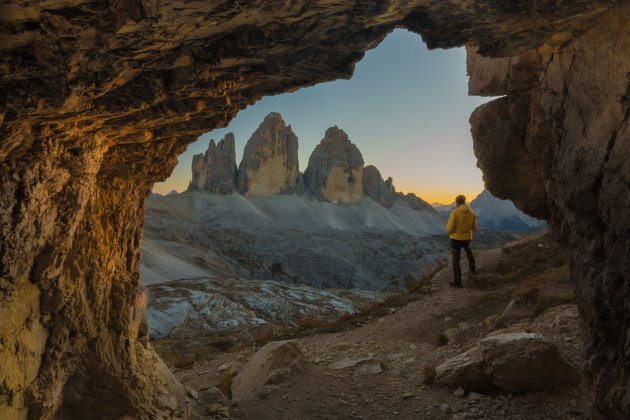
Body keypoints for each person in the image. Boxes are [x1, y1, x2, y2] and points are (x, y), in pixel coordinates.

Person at [446, 195, 477, 288]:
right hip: (467, 238)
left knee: (456, 259)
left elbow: (450, 228)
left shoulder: (455, 212)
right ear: (464, 201)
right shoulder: (472, 212)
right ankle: (473, 268)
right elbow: (475, 228)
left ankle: (458, 282)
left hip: (455, 239)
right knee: (468, 251)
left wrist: (449, 233)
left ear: (457, 202)